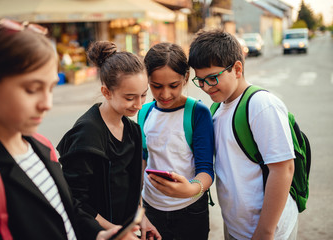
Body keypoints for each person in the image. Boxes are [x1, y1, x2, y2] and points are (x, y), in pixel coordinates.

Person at [0, 18, 137, 240]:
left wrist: (99, 234)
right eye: (32, 89)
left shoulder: (42, 146)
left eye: (50, 88)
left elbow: (65, 213)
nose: (47, 103)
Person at [188, 29, 298, 240]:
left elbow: (283, 169)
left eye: (212, 78)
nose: (205, 87)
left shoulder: (260, 105)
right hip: (237, 228)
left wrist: (265, 231)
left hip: (270, 230)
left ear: (237, 69)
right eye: (200, 80)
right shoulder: (217, 109)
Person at [56, 41, 161, 240]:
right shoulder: (87, 133)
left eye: (143, 95)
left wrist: (142, 219)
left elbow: (132, 187)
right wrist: (115, 231)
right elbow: (74, 199)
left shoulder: (132, 130)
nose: (139, 105)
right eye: (130, 97)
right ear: (106, 92)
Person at [140, 42, 214, 240]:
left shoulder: (197, 113)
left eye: (173, 85)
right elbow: (144, 158)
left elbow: (206, 170)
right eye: (156, 86)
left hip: (190, 211)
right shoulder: (144, 112)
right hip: (151, 210)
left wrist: (189, 189)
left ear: (186, 78)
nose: (165, 94)